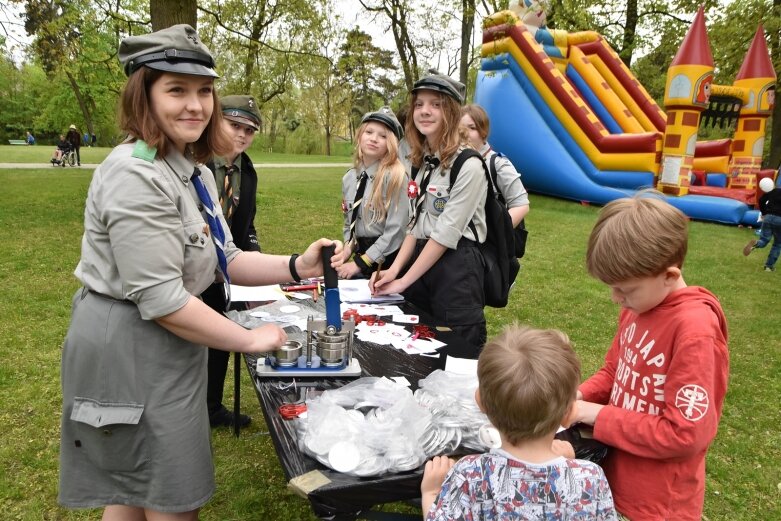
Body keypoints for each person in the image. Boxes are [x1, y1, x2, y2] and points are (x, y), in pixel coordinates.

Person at [58, 24, 343, 520]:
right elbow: (163, 299)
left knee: (136, 488)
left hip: (165, 342)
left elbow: (225, 260)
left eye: (204, 91)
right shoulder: (135, 173)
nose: (195, 105)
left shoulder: (195, 170)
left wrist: (297, 264)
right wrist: (251, 340)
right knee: (168, 496)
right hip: (129, 348)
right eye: (176, 90)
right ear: (143, 96)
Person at [573, 193, 729, 520]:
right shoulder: (639, 308)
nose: (616, 299)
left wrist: (595, 416)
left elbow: (684, 434)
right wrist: (579, 396)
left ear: (669, 276)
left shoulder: (695, 330)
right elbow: (615, 371)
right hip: (617, 478)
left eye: (625, 290)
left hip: (660, 504)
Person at [421, 325, 617, 520]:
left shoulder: (470, 474)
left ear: (480, 401)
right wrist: (569, 468)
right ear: (570, 413)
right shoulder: (591, 478)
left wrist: (431, 493)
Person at [371, 71, 488, 351]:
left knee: (455, 356)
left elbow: (445, 235)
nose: (425, 111)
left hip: (456, 271)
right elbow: (415, 223)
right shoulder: (423, 164)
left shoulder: (468, 165)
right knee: (415, 352)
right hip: (421, 265)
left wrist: (403, 282)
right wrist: (394, 270)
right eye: (420, 104)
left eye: (435, 104)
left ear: (451, 111)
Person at [202, 94, 262, 428]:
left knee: (220, 336)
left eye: (249, 130)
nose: (241, 135)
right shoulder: (193, 161)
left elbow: (245, 224)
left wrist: (255, 260)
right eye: (234, 125)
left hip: (223, 270)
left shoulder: (247, 170)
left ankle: (211, 407)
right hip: (188, 266)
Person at [338, 106, 407, 279]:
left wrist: (359, 264)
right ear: (360, 135)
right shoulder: (350, 178)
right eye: (369, 132)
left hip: (388, 262)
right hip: (361, 255)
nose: (374, 139)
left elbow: (396, 231)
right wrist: (346, 251)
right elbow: (349, 222)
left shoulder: (395, 177)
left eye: (383, 136)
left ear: (391, 143)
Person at [460, 104, 530, 229]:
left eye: (472, 128)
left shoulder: (498, 164)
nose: (465, 134)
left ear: (483, 132)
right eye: (460, 128)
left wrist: (497, 235)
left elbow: (521, 205)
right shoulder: (450, 162)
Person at [743, 176, 781, 272]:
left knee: (764, 240)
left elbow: (761, 203)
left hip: (768, 218)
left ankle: (756, 243)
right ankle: (768, 266)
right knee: (777, 244)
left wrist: (764, 214)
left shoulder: (768, 194)